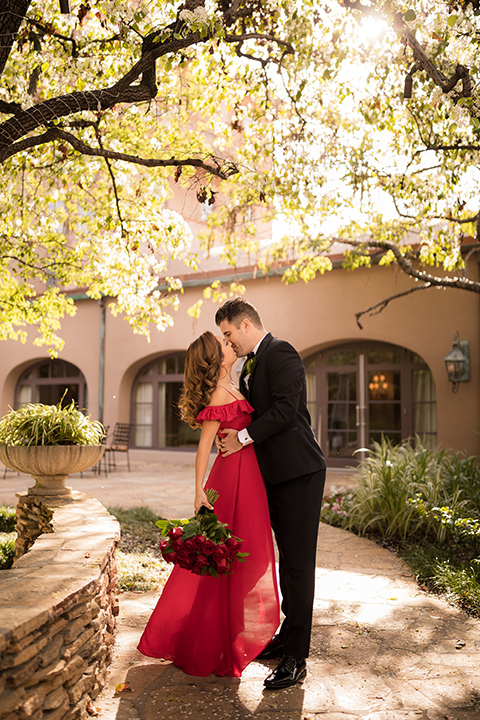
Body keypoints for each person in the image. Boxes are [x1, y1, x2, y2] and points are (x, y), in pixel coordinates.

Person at [137, 330, 279, 677]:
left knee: (247, 557)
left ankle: (229, 638)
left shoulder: (236, 386)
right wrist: (198, 490)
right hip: (230, 481)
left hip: (250, 480)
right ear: (215, 360)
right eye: (225, 345)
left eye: (230, 342)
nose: (231, 346)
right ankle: (211, 643)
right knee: (226, 564)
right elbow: (204, 447)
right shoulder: (218, 393)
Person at [215, 298, 326, 690]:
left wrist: (243, 437)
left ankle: (297, 657)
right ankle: (286, 637)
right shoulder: (250, 366)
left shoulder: (283, 353)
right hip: (274, 476)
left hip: (300, 473)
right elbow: (258, 413)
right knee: (286, 563)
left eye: (228, 334)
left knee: (298, 565)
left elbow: (284, 410)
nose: (228, 342)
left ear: (245, 324)